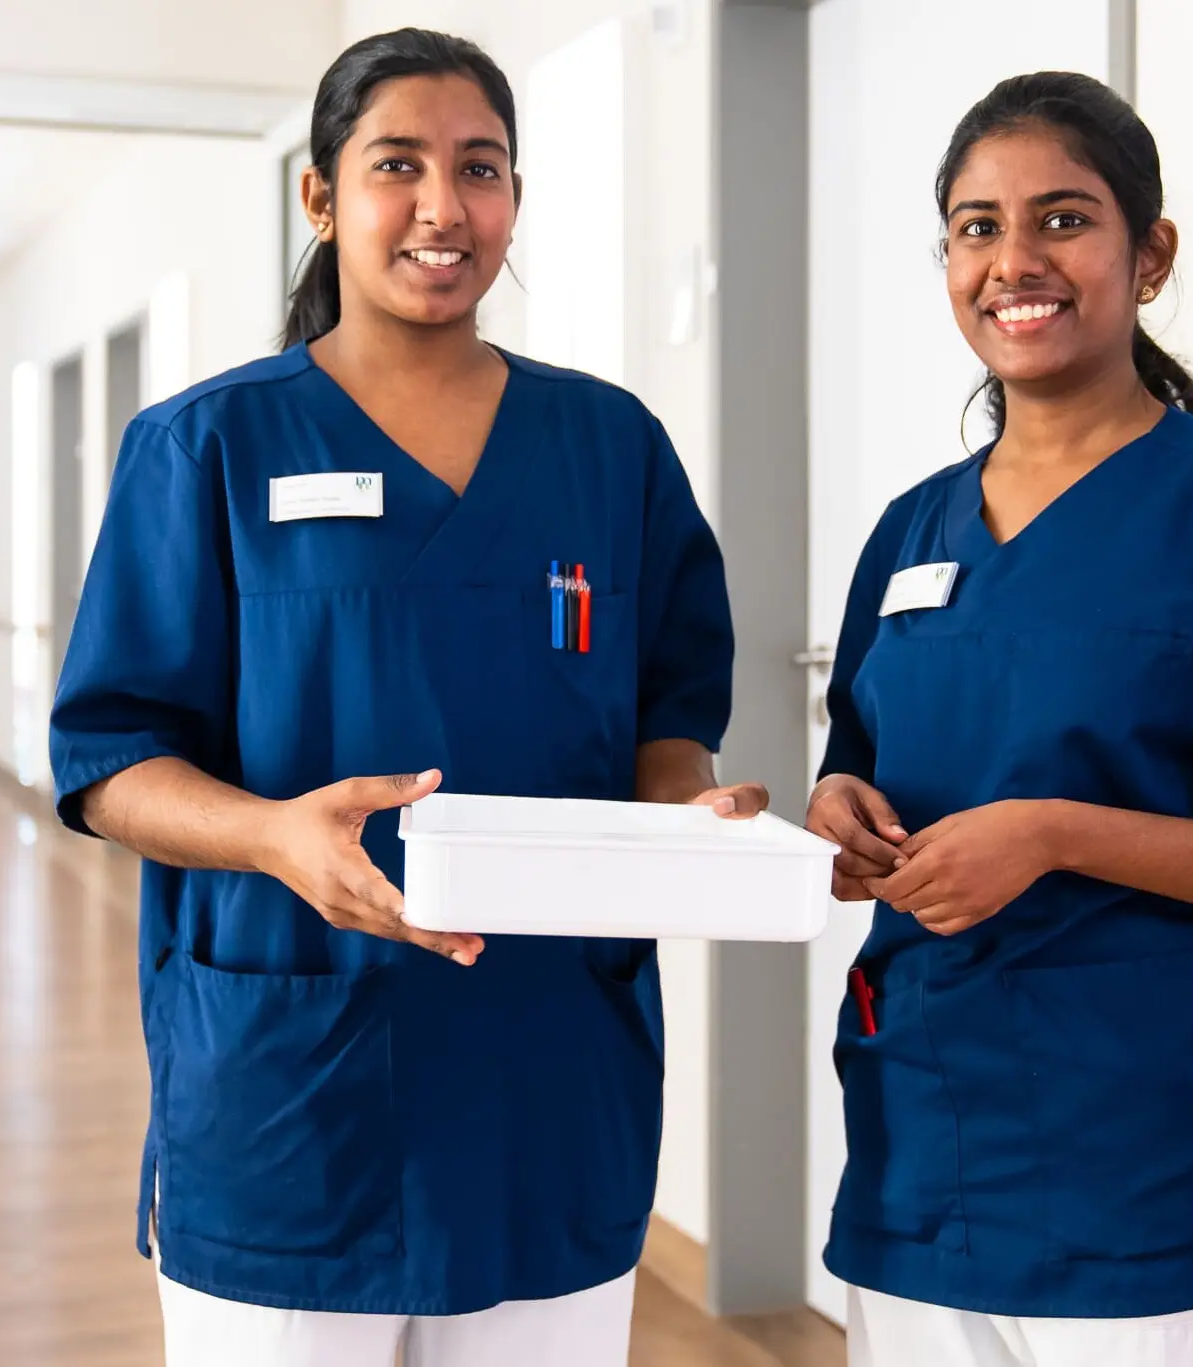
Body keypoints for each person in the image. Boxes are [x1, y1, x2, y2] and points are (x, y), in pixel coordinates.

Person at [49, 28, 765, 1367]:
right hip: (292, 1073)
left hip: (544, 1069)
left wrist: (692, 809)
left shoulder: (608, 449)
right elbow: (108, 756)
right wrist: (273, 835)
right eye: (398, 166)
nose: (444, 206)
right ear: (321, 198)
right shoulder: (206, 446)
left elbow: (669, 707)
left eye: (479, 168)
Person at [805, 72, 1193, 1367]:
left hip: (1148, 1169)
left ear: (1150, 251)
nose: (1013, 260)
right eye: (975, 227)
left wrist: (1055, 833)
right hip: (922, 1143)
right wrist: (834, 814)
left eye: (1061, 219)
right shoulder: (908, 531)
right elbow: (858, 769)